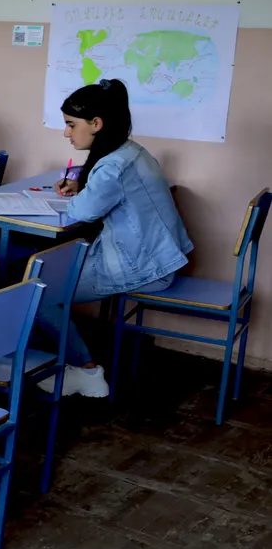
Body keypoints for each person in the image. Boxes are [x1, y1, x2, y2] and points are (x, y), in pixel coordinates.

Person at [44, 78, 191, 398]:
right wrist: (85, 186)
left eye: (71, 124)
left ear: (96, 124)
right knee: (47, 274)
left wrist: (82, 192)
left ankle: (87, 372)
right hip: (162, 257)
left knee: (37, 293)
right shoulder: (132, 151)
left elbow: (80, 212)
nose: (67, 133)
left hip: (146, 267)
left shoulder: (111, 166)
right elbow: (108, 195)